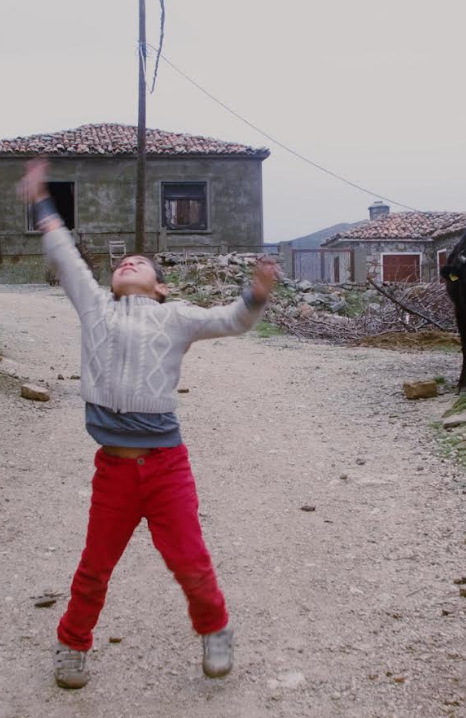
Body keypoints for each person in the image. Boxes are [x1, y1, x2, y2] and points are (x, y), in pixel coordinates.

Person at [19, 158, 277, 688]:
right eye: (123, 262)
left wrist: (256, 294)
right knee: (94, 568)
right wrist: (43, 206)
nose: (129, 263)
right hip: (114, 471)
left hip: (165, 469)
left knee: (189, 561)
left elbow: (232, 320)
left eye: (142, 263)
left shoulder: (175, 315)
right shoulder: (95, 308)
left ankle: (216, 628)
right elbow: (67, 257)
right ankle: (72, 644)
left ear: (160, 287)